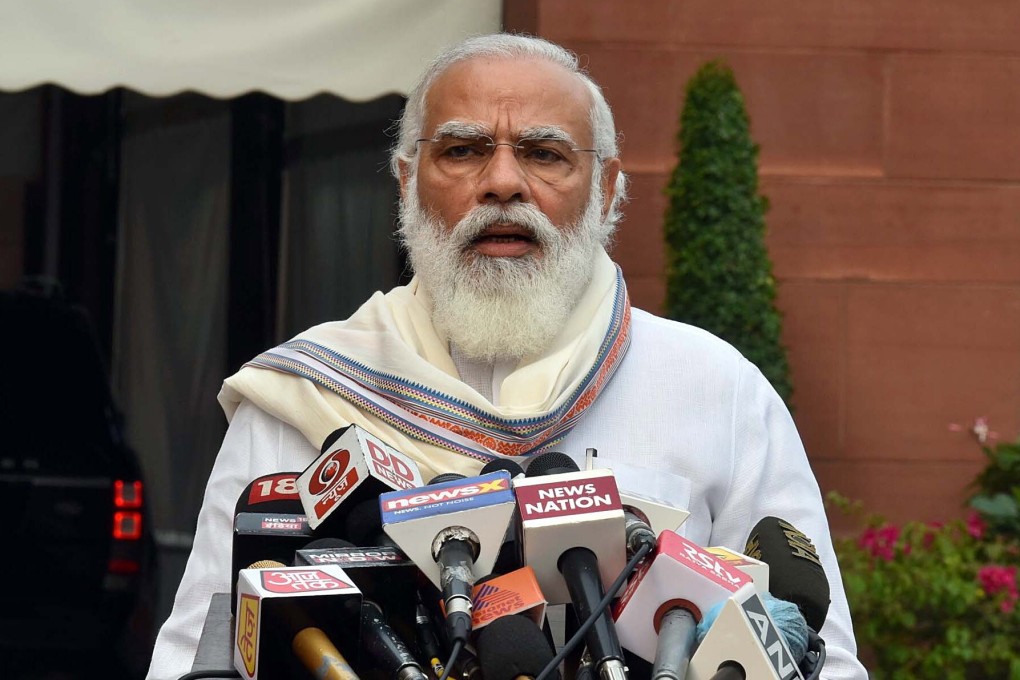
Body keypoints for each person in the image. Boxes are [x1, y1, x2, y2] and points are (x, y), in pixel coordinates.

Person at [147, 33, 868, 680]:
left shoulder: (716, 389)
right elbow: (195, 655)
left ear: (607, 189)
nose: (502, 183)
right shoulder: (305, 394)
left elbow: (820, 657)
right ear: (406, 183)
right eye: (462, 150)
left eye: (544, 153)